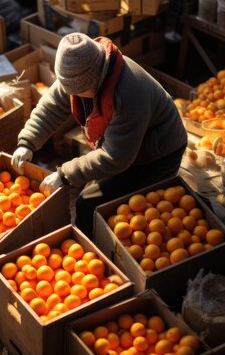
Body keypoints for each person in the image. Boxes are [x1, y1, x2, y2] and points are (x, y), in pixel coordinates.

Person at [11, 32, 188, 237]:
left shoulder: (129, 95)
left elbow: (116, 158)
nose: (74, 96)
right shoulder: (80, 69)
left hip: (157, 153)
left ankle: (92, 253)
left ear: (96, 79)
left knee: (91, 205)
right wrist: (28, 142)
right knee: (89, 194)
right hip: (125, 147)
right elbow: (52, 105)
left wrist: (64, 174)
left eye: (79, 91)